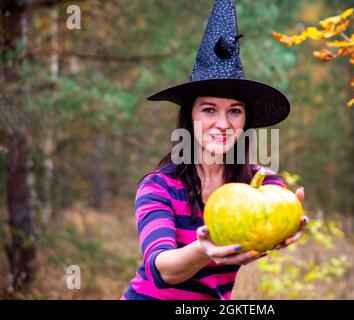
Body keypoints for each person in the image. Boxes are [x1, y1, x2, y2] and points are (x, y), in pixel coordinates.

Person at [122, 0, 308, 300]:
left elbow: (261, 237)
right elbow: (162, 268)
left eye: (234, 111)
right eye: (209, 109)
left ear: (246, 120)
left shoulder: (264, 185)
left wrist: (282, 224)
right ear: (190, 117)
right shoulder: (159, 186)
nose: (223, 123)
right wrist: (206, 247)